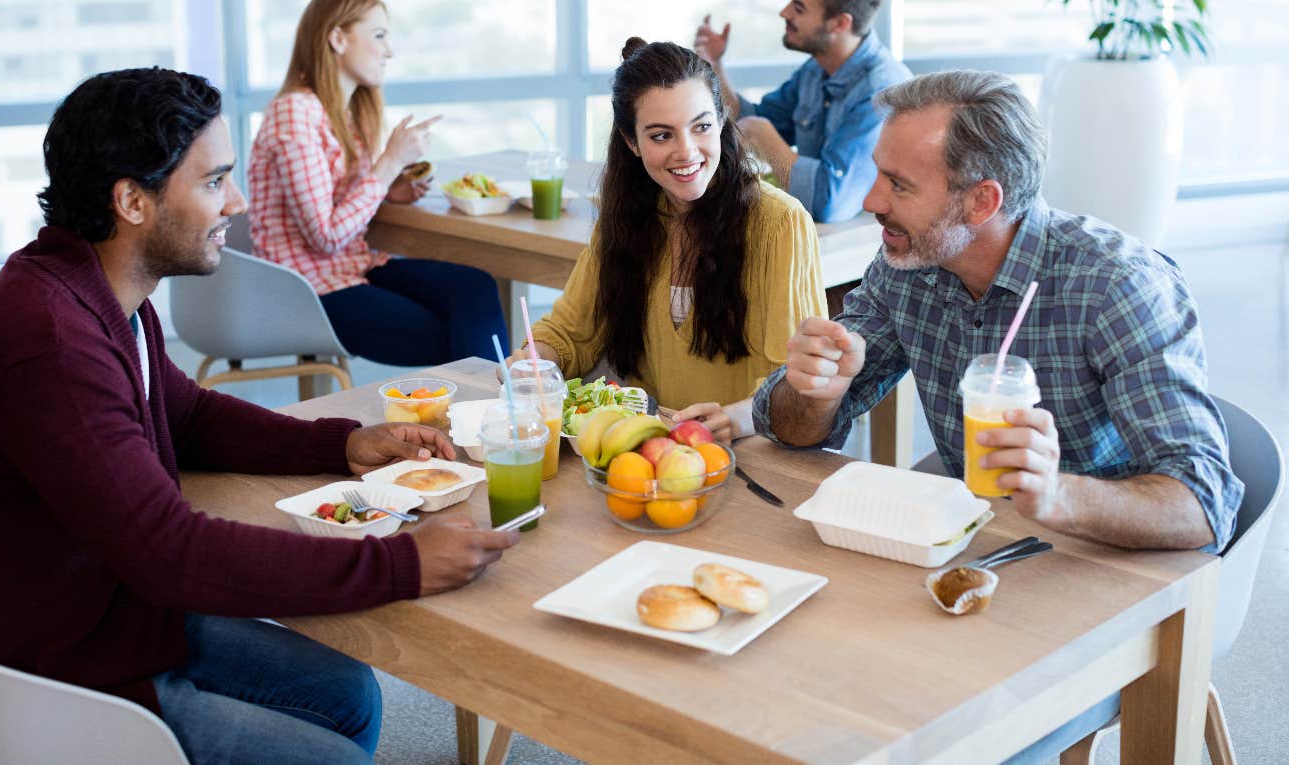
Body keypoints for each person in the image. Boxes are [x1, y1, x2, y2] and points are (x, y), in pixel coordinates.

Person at [0, 67, 521, 765]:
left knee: (349, 695)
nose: (236, 202)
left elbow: (189, 415)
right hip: (45, 667)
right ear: (132, 201)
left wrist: (348, 444)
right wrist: (398, 562)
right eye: (214, 181)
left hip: (101, 606)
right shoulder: (52, 338)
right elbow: (170, 551)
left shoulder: (101, 292)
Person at [753, 70, 1245, 759]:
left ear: (982, 200)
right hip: (982, 560)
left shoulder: (1118, 286)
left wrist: (1059, 494)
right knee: (811, 686)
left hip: (1111, 579)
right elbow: (799, 430)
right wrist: (814, 388)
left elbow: (1205, 501)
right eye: (878, 175)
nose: (870, 201)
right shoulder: (909, 261)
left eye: (900, 185)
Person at [508, 39, 825, 444]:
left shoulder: (782, 223)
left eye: (702, 126)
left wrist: (739, 417)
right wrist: (533, 363)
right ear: (631, 141)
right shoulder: (625, 219)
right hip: (649, 455)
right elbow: (570, 333)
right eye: (661, 136)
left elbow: (797, 382)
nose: (687, 151)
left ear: (722, 121)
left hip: (752, 458)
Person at [249, 0, 508, 364]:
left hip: (355, 267)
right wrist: (389, 162)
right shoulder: (294, 112)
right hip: (309, 290)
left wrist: (387, 189)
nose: (390, 50)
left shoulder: (344, 113)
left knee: (476, 288)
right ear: (338, 38)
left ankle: (489, 413)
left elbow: (335, 205)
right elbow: (325, 237)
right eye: (379, 35)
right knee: (457, 336)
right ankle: (488, 415)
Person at [694, 0, 910, 223]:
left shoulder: (881, 89)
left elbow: (827, 202)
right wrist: (714, 65)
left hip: (862, 245)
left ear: (840, 23)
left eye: (798, 8)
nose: (783, 12)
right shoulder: (815, 71)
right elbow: (747, 120)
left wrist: (763, 135)